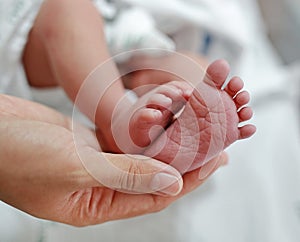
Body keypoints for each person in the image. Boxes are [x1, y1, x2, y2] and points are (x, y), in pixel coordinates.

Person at [23, 0, 255, 173]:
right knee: (70, 8)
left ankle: (171, 129)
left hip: (128, 47)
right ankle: (117, 118)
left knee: (193, 68)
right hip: (38, 41)